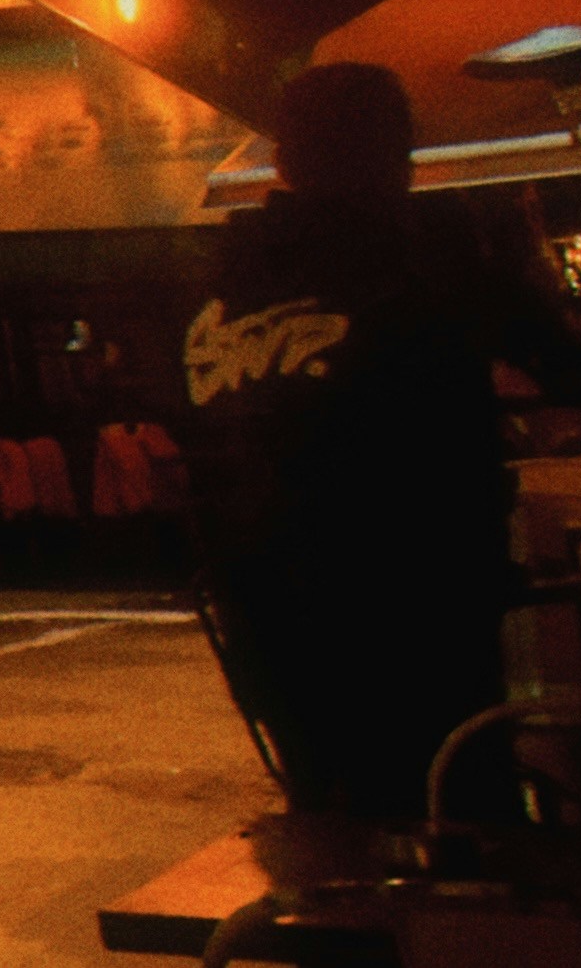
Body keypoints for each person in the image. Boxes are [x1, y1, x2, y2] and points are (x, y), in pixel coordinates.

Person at [182, 62, 510, 819]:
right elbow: (561, 366)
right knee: (454, 819)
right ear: (395, 155)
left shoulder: (217, 276)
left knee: (333, 819)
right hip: (418, 608)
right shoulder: (415, 259)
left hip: (265, 613)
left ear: (283, 159)